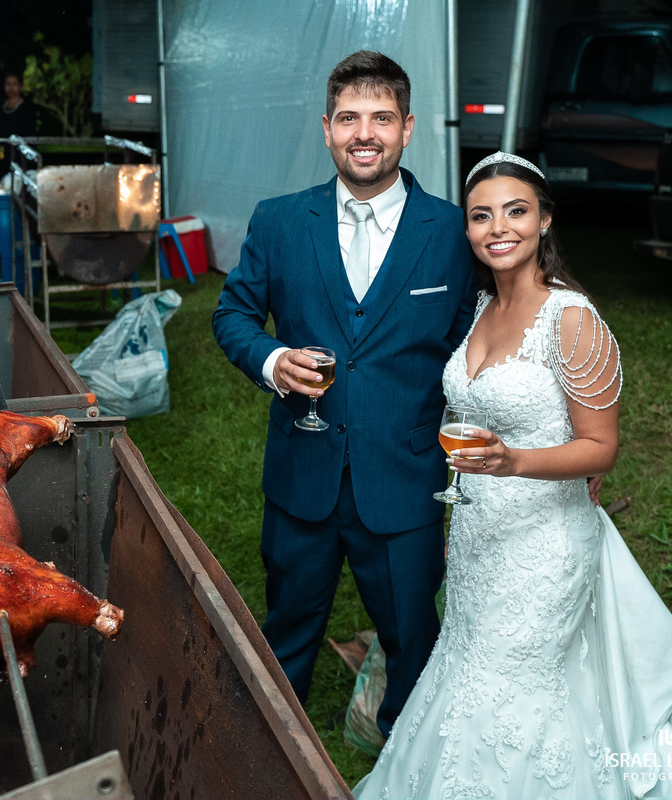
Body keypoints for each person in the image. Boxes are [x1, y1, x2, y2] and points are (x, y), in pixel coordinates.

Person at [353, 152, 672, 798]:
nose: (498, 228)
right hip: (480, 539)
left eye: (515, 211)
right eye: (481, 215)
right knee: (467, 669)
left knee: (518, 691)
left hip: (545, 548)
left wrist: (515, 462)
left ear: (545, 219)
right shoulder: (481, 307)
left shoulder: (571, 318)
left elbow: (601, 447)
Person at [211, 51, 478, 737]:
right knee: (287, 629)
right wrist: (272, 358)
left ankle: (406, 753)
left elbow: (480, 344)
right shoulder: (278, 221)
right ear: (327, 128)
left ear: (407, 128)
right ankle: (272, 749)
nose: (365, 134)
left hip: (404, 478)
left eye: (382, 118)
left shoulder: (453, 233)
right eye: (350, 118)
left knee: (412, 637)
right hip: (301, 476)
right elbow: (233, 313)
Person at [0, 72, 37, 183]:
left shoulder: (27, 110)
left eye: (14, 84)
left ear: (21, 86)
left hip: (19, 163)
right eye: (8, 84)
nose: (11, 88)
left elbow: (30, 140)